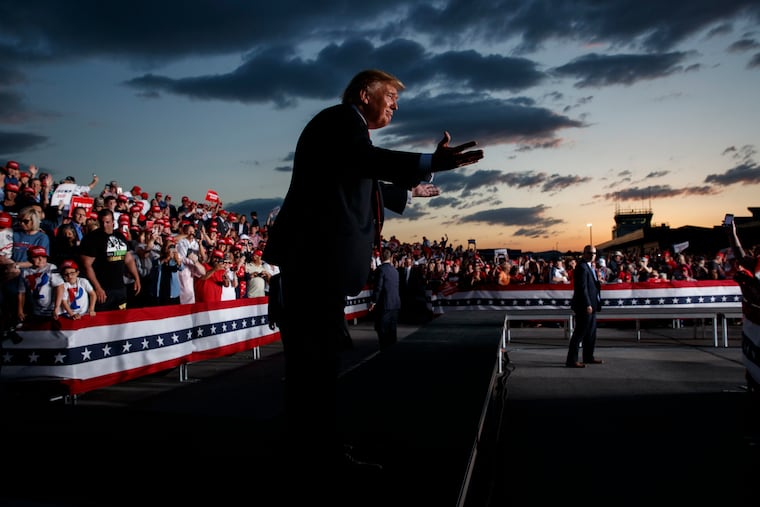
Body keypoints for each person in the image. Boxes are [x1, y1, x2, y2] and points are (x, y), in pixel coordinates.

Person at [262, 68, 483, 489]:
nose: (396, 105)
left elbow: (359, 179)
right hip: (313, 268)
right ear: (365, 94)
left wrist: (409, 189)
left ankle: (311, 453)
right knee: (316, 368)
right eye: (391, 96)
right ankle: (312, 460)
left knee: (318, 367)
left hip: (317, 270)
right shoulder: (341, 122)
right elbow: (363, 163)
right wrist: (427, 162)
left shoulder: (345, 136)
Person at [79, 208, 141, 311]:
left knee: (120, 320)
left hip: (120, 288)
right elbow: (87, 265)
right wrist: (98, 288)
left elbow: (129, 259)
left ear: (113, 222)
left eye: (107, 222)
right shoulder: (91, 239)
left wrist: (137, 278)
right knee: (100, 322)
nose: (104, 225)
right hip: (103, 289)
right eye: (102, 222)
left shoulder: (120, 236)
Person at [727, 218, 760, 395]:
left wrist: (732, 233)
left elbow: (740, 256)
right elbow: (740, 256)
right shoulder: (757, 264)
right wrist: (732, 234)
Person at [566, 245, 603, 368]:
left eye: (594, 253)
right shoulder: (581, 267)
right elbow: (582, 288)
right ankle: (572, 360)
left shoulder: (590, 267)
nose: (592, 255)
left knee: (591, 333)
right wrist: (587, 303)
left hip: (592, 305)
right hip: (584, 306)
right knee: (579, 334)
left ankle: (588, 357)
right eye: (589, 253)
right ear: (584, 253)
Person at [369, 248, 401, 351]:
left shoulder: (380, 270)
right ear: (391, 257)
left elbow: (378, 288)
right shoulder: (395, 271)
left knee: (382, 331)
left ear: (382, 257)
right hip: (395, 304)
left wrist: (373, 302)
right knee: (392, 331)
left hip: (384, 305)